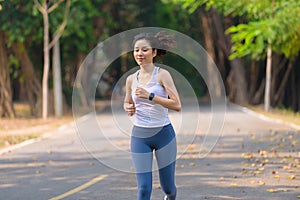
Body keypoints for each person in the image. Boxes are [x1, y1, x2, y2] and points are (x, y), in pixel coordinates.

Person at [123, 31, 181, 200]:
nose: (139, 54)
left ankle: (170, 197)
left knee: (168, 187)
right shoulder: (130, 79)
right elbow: (128, 102)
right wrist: (128, 107)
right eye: (136, 50)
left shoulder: (162, 75)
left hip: (164, 134)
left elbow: (177, 105)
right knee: (144, 188)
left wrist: (151, 96)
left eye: (144, 50)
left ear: (154, 52)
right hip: (140, 136)